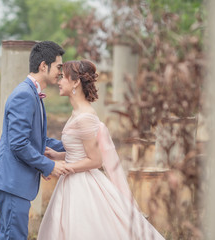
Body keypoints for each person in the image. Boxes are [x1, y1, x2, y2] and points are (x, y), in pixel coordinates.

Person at [37, 59, 165, 240]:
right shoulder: (77, 113)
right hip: (72, 180)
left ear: (75, 82)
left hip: (81, 183)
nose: (59, 81)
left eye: (63, 78)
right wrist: (59, 155)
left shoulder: (85, 117)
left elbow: (95, 160)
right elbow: (81, 152)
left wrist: (65, 167)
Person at [0, 41, 74, 240]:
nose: (60, 72)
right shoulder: (25, 95)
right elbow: (19, 143)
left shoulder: (33, 94)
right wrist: (48, 166)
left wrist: (72, 146)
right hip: (12, 182)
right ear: (43, 66)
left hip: (16, 183)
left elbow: (38, 139)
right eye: (58, 67)